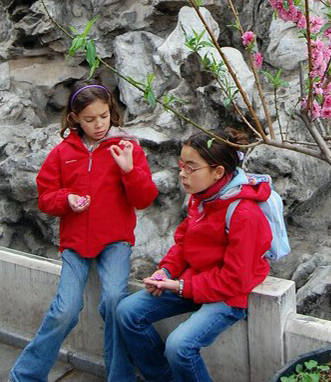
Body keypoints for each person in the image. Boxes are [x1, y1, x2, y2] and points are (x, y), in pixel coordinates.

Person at [9, 79, 159, 382]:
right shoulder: (62, 153)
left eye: (104, 116)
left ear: (111, 111)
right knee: (64, 310)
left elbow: (145, 199)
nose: (99, 124)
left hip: (115, 241)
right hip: (75, 244)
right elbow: (45, 198)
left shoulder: (126, 147)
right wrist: (68, 199)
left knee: (115, 301)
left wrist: (129, 169)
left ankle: (120, 377)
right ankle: (25, 376)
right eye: (90, 119)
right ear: (74, 118)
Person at [116, 128, 273, 382]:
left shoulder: (244, 214)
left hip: (227, 295)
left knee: (180, 346)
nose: (182, 174)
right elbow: (183, 242)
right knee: (127, 312)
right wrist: (166, 270)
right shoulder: (202, 198)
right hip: (194, 282)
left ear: (218, 172)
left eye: (191, 168)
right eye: (181, 165)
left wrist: (180, 286)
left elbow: (235, 280)